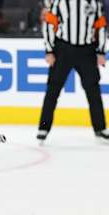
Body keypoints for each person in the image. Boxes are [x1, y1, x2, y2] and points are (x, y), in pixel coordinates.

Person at [40, 0, 109, 143]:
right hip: (63, 50)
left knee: (93, 90)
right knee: (53, 89)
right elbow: (49, 24)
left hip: (87, 50)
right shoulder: (59, 2)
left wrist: (101, 51)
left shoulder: (94, 3)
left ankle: (100, 129)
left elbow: (101, 26)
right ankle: (44, 127)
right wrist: (49, 50)